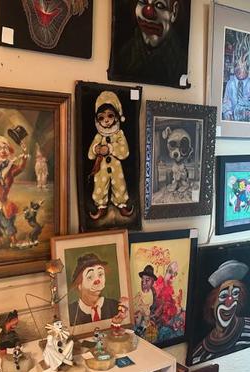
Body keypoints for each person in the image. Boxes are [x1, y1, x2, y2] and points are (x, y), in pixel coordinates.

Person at [113, 0, 187, 86]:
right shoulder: (124, 54)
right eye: (142, 2)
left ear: (174, 12)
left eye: (159, 5)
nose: (148, 13)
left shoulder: (181, 61)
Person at [191, 260, 250, 364]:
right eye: (223, 295)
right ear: (212, 303)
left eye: (235, 294)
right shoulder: (199, 353)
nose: (229, 302)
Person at [88, 91, 132, 220]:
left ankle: (121, 204)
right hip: (101, 168)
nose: (106, 120)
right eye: (101, 118)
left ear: (117, 117)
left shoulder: (119, 134)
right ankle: (101, 206)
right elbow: (90, 155)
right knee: (100, 186)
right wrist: (96, 149)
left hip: (116, 167)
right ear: (97, 120)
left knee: (119, 185)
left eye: (110, 116)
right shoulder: (99, 136)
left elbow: (125, 151)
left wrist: (110, 148)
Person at [68, 253, 118, 325]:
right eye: (90, 277)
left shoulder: (115, 306)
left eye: (100, 274)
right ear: (79, 285)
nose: (97, 281)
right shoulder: (70, 312)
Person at [222, 55, 250, 122]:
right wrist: (227, 113)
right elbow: (226, 102)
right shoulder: (230, 83)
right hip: (233, 118)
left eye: (243, 68)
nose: (240, 71)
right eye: (238, 68)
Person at [133, 265, 157, 335]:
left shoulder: (154, 295)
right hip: (137, 326)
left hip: (148, 326)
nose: (143, 282)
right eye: (142, 279)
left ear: (152, 281)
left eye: (147, 280)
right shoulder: (138, 296)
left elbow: (155, 313)